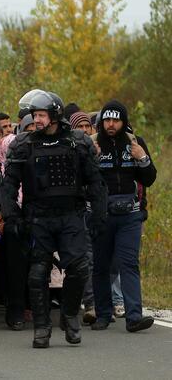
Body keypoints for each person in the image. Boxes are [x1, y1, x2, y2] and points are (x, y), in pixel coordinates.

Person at [0, 90, 107, 349]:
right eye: (33, 115)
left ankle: (69, 316)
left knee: (79, 269)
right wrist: (12, 217)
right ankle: (42, 327)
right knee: (37, 275)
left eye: (40, 115)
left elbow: (95, 182)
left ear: (55, 115)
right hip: (38, 218)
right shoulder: (23, 144)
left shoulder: (78, 142)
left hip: (71, 215)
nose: (35, 119)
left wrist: (99, 215)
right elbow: (8, 186)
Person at [90, 100, 157, 333]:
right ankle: (103, 314)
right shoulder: (93, 143)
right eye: (107, 120)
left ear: (123, 122)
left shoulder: (136, 143)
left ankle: (134, 317)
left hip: (130, 214)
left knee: (129, 264)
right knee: (101, 265)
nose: (111, 124)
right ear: (101, 122)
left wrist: (142, 158)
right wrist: (92, 159)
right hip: (101, 214)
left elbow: (149, 178)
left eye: (115, 120)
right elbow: (82, 180)